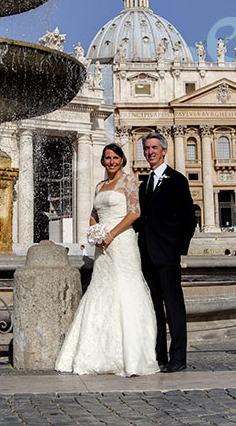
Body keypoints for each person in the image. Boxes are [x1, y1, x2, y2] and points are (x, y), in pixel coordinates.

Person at [56, 143, 159, 377]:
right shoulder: (100, 186)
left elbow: (135, 213)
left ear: (122, 160)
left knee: (125, 289)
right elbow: (93, 215)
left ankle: (132, 354)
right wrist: (96, 233)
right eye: (107, 158)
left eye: (115, 157)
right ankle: (96, 351)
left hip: (122, 242)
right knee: (101, 290)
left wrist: (111, 234)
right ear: (103, 161)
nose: (111, 161)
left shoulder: (129, 181)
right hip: (103, 246)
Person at [136, 132, 196, 373]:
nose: (150, 152)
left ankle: (178, 357)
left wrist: (177, 250)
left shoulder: (177, 180)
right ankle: (160, 355)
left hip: (167, 255)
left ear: (164, 151)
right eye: (147, 148)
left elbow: (189, 219)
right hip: (147, 254)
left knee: (173, 307)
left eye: (154, 148)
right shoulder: (144, 183)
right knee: (154, 308)